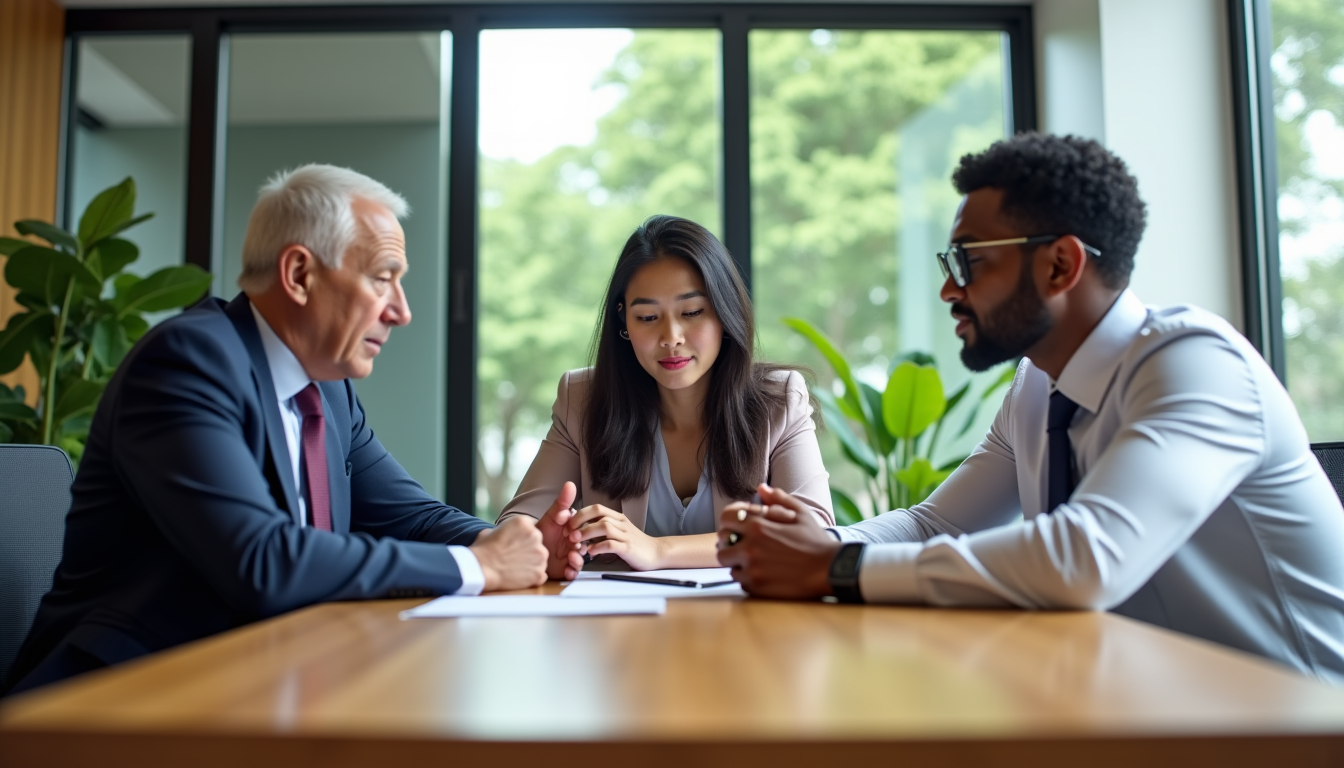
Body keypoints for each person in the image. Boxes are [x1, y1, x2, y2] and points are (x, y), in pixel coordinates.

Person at [716, 133, 1344, 683]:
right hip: (1158, 708)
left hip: (1299, 724)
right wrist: (814, 543)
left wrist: (835, 565)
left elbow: (1086, 558)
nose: (948, 289)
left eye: (971, 261)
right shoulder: (1037, 385)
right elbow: (937, 525)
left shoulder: (1196, 366)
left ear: (1061, 264)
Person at [4, 165, 582, 695]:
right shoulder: (187, 363)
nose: (401, 310)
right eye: (383, 279)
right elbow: (263, 560)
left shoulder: (327, 388)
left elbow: (412, 516)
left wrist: (513, 545)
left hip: (263, 680)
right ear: (300, 273)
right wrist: (481, 566)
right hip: (116, 699)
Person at [498, 215, 833, 570]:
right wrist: (544, 546)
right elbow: (514, 526)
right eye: (647, 317)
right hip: (622, 623)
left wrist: (657, 550)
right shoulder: (582, 400)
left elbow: (816, 535)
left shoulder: (779, 401)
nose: (671, 336)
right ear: (624, 323)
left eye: (692, 312)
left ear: (724, 312)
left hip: (746, 622)